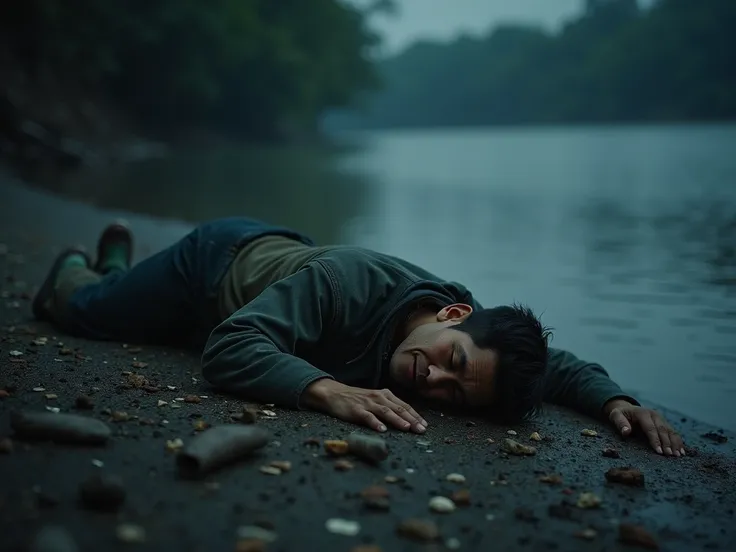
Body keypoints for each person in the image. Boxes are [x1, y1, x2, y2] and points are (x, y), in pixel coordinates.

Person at [33, 217, 686, 456]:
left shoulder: (476, 334)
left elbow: (556, 366)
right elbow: (228, 349)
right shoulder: (347, 283)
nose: (437, 380)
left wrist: (615, 403)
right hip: (211, 268)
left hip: (278, 287)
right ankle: (86, 267)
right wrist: (326, 391)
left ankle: (117, 270)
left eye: (457, 394)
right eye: (450, 362)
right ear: (454, 316)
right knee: (83, 313)